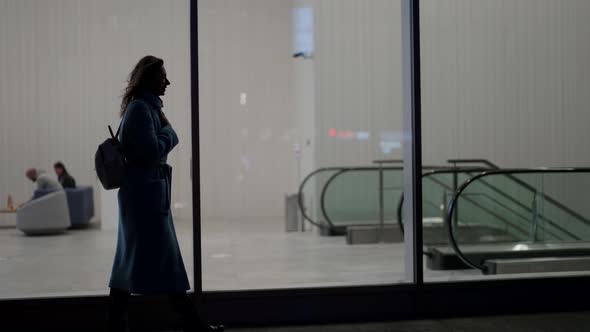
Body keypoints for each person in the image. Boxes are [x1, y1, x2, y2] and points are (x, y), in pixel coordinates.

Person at [107, 55, 223, 332]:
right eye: (162, 77)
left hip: (144, 195)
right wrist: (170, 133)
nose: (167, 82)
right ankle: (193, 326)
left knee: (130, 263)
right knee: (164, 263)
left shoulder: (143, 108)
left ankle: (117, 325)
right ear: (148, 79)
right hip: (145, 197)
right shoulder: (141, 110)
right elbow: (150, 151)